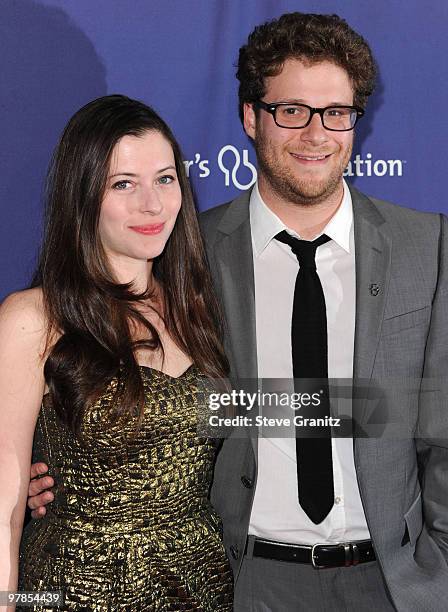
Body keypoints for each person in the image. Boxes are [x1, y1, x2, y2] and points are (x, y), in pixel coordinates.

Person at [28, 12, 448, 611]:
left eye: (336, 113)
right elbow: (121, 384)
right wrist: (52, 476)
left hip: (393, 582)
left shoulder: (427, 247)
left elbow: (440, 420)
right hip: (242, 582)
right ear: (250, 117)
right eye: (292, 111)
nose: (317, 133)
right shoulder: (181, 252)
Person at [0, 94, 233, 610]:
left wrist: (379, 410)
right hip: (71, 592)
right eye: (122, 184)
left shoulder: (202, 310)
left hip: (202, 588)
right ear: (83, 196)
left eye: (165, 179)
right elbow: (5, 506)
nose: (151, 204)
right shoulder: (33, 318)